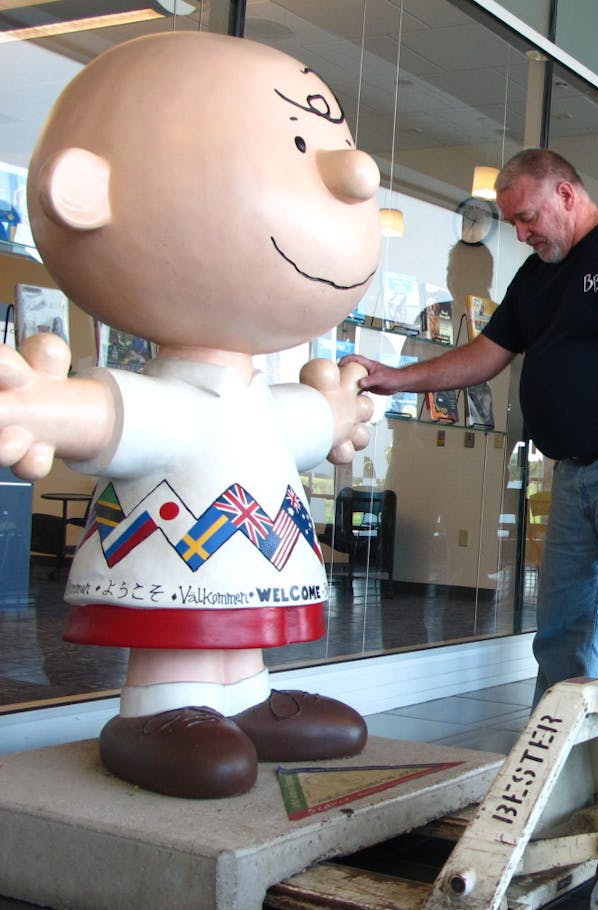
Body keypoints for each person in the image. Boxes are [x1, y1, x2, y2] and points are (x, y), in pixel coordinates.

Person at [3, 32, 379, 798]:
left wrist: (331, 414)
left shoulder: (250, 400)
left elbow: (292, 424)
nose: (357, 173)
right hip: (169, 549)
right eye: (299, 143)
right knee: (180, 633)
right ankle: (158, 708)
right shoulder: (168, 398)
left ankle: (242, 696)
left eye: (332, 141)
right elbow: (113, 418)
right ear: (87, 194)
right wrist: (42, 408)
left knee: (236, 626)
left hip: (251, 548)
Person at [346, 149, 598, 729]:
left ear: (566, 193)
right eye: (513, 222)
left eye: (527, 217)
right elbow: (485, 355)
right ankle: (554, 751)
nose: (521, 232)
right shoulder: (536, 277)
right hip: (574, 468)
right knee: (563, 621)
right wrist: (398, 379)